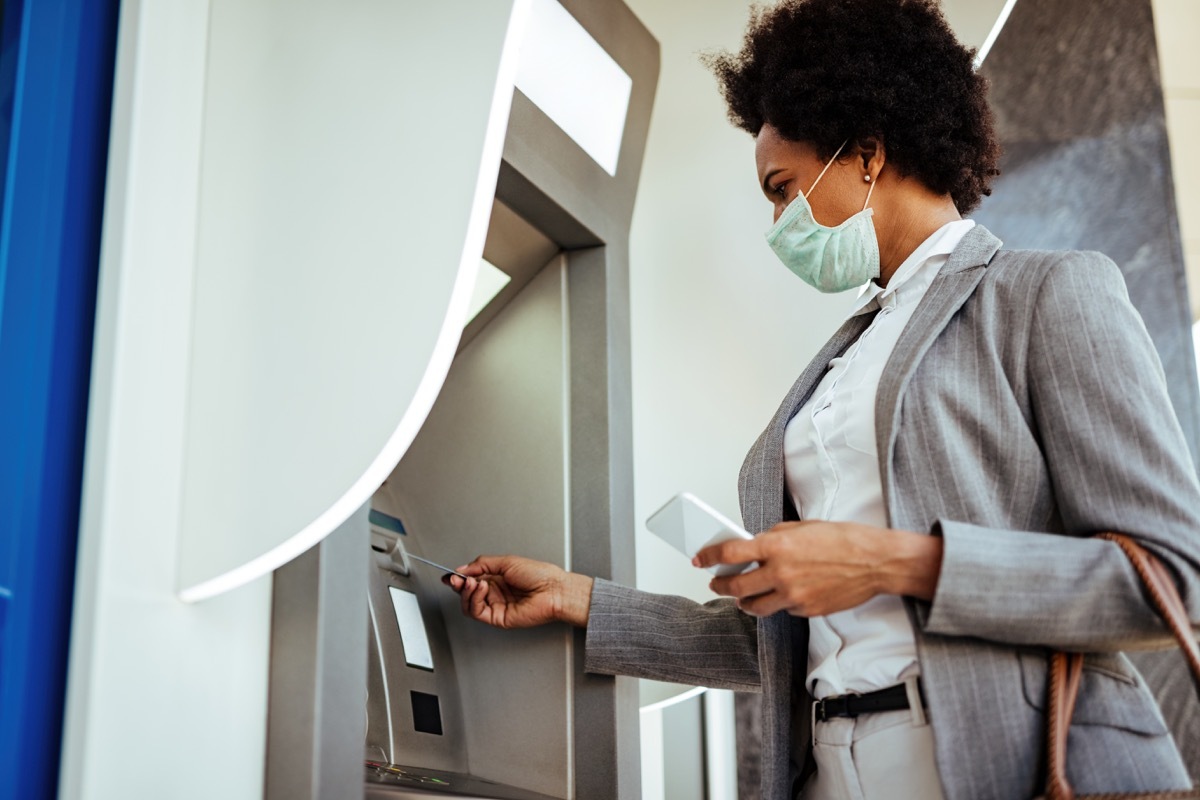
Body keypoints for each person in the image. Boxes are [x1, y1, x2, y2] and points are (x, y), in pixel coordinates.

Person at [444, 1, 1200, 797]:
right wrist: (580, 599)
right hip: (832, 763)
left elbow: (1173, 582)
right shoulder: (848, 352)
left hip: (1010, 762)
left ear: (867, 154)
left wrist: (892, 563)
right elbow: (783, 642)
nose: (777, 222)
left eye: (783, 190)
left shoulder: (1047, 293)